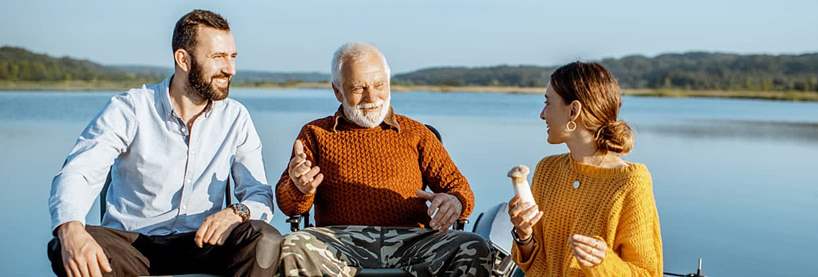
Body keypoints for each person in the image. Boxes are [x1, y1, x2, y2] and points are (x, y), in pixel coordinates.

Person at [46, 9, 281, 277]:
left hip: (204, 244)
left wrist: (237, 212)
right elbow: (80, 171)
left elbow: (259, 195)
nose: (231, 69)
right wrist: (71, 228)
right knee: (65, 244)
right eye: (218, 57)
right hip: (133, 246)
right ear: (183, 59)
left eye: (232, 56)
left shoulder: (236, 117)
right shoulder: (130, 108)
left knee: (264, 238)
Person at [275, 42, 492, 277]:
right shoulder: (315, 133)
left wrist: (454, 202)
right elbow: (289, 207)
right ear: (338, 90)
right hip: (338, 241)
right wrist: (299, 189)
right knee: (292, 247)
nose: (372, 97)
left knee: (474, 246)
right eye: (359, 88)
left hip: (411, 242)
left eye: (379, 85)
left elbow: (460, 189)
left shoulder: (417, 133)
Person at [508, 61, 663, 276]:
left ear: (573, 111)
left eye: (548, 103)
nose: (542, 114)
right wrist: (523, 235)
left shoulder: (631, 181)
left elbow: (647, 273)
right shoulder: (547, 170)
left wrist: (603, 263)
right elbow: (532, 263)